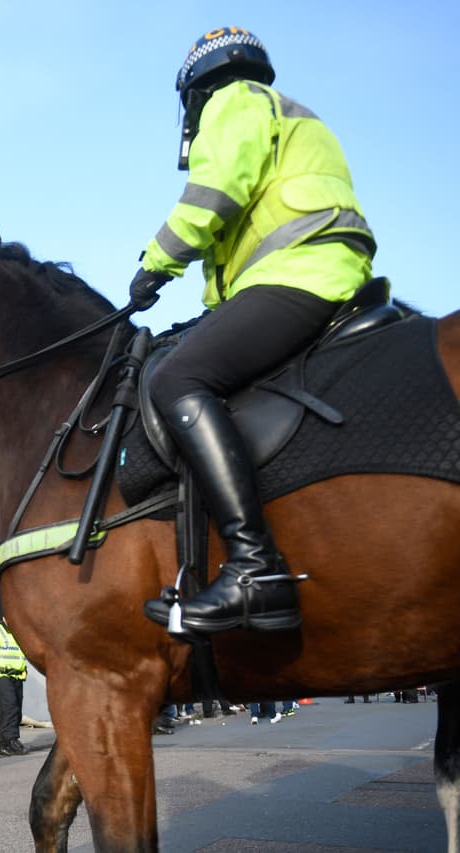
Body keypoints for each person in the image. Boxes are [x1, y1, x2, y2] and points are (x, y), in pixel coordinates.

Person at [134, 27, 375, 635]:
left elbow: (215, 193)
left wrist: (155, 262)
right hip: (328, 269)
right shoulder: (294, 115)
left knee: (177, 378)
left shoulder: (233, 102)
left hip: (297, 274)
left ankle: (252, 566)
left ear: (195, 92)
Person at [0, 616, 28, 757]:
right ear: (3, 618)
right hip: (2, 675)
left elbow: (21, 655)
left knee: (16, 710)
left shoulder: (19, 633)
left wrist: (24, 670)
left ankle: (4, 745)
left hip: (17, 677)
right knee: (9, 708)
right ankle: (11, 741)